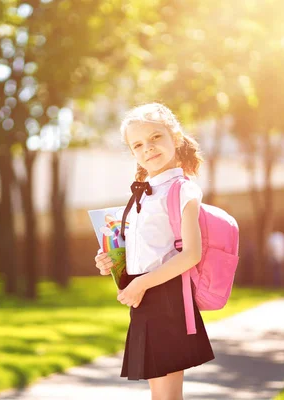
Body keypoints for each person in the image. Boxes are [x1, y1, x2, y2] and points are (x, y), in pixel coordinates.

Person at [94, 103, 214, 399]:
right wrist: (109, 261)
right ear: (133, 153)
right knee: (158, 394)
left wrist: (140, 285)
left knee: (167, 396)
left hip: (167, 296)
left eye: (155, 137)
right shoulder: (141, 195)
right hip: (144, 297)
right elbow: (138, 249)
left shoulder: (182, 190)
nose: (148, 148)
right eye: (138, 144)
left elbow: (191, 254)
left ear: (174, 136)